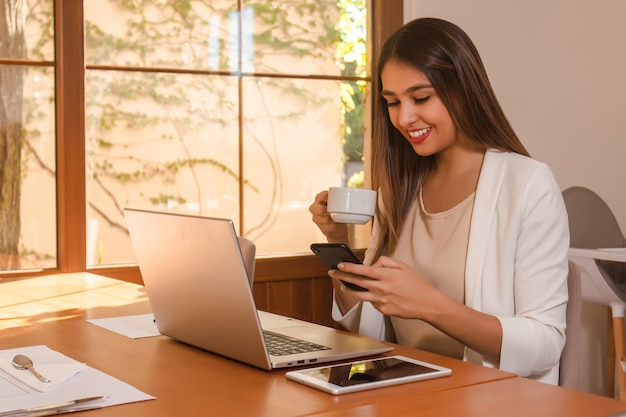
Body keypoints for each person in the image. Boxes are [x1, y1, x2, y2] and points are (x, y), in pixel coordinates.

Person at [309, 17, 569, 384]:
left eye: (421, 98)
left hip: (490, 400)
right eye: (392, 102)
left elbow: (546, 343)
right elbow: (370, 329)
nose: (404, 117)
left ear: (463, 88)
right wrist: (338, 242)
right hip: (405, 391)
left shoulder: (527, 185)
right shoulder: (397, 191)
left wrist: (430, 305)